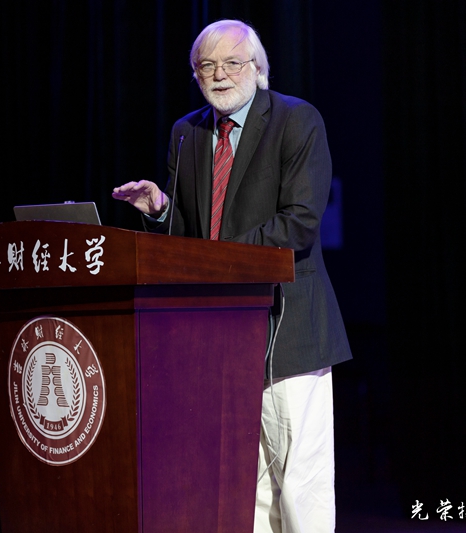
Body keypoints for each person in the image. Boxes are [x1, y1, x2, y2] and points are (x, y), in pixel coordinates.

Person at [113, 19, 351, 533]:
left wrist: (217, 260)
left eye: (231, 63)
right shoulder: (187, 133)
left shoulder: (296, 120)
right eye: (207, 66)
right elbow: (187, 237)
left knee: (301, 483)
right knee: (248, 486)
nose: (219, 75)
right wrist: (160, 208)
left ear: (257, 67)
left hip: (290, 328)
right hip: (220, 335)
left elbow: (300, 223)